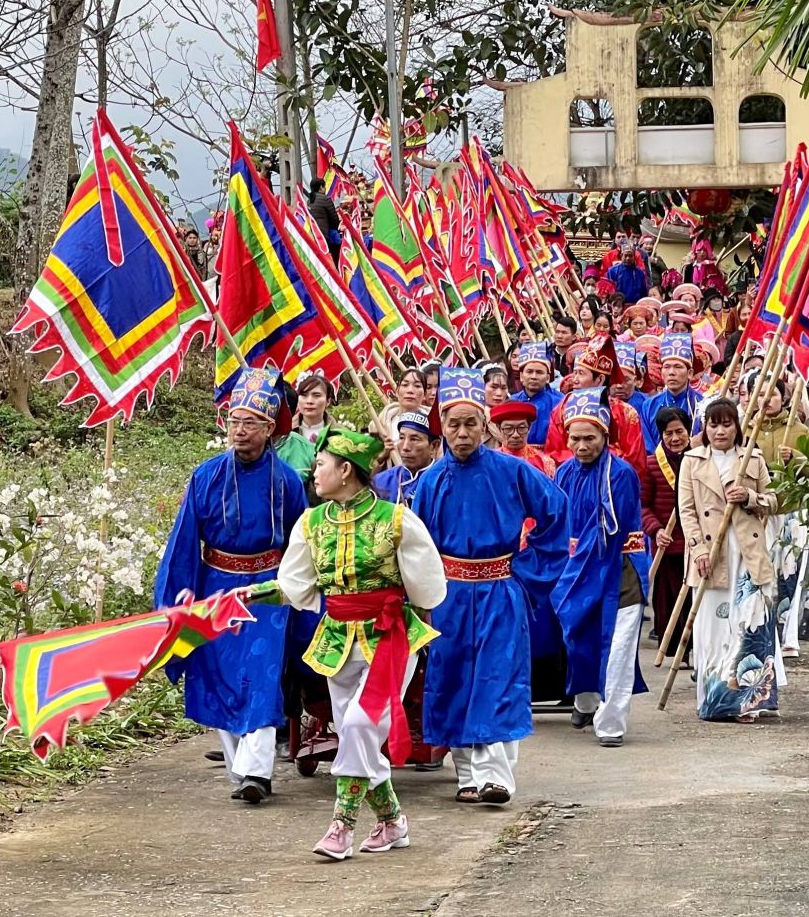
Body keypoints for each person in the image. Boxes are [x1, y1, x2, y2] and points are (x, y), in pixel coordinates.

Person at [258, 427, 446, 860]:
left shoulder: (396, 520)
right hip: (339, 640)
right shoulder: (311, 523)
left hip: (390, 640)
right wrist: (244, 597)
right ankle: (392, 821)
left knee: (361, 727)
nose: (313, 472)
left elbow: (428, 591)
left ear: (346, 471)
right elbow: (294, 586)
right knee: (354, 734)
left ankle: (340, 826)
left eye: (321, 464)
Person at [413, 368, 568, 805]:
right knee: (454, 678)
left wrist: (526, 574)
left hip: (500, 588)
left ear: (486, 425)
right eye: (454, 424)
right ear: (442, 426)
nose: (462, 434)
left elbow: (556, 513)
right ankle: (466, 774)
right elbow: (416, 546)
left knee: (499, 678)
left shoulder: (512, 472)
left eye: (471, 424)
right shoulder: (429, 482)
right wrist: (421, 599)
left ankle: (496, 776)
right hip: (448, 596)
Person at [155, 365, 309, 803]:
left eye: (251, 424)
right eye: (234, 422)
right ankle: (241, 768)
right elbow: (185, 539)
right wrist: (178, 595)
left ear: (269, 428)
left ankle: (256, 774)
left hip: (267, 591)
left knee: (260, 677)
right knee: (218, 677)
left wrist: (300, 589)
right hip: (217, 585)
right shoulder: (206, 476)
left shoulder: (288, 482)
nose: (240, 431)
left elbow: (301, 541)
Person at [551, 390, 647, 748]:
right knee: (577, 637)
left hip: (617, 570)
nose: (581, 445)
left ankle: (611, 723)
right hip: (578, 571)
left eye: (589, 438)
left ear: (606, 436)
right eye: (574, 438)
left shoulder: (620, 474)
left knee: (618, 647)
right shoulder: (563, 473)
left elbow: (610, 529)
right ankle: (586, 700)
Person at [678, 399, 783, 723]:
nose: (719, 430)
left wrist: (749, 498)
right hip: (712, 557)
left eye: (726, 424)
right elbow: (687, 511)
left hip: (748, 556)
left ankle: (748, 702)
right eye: (713, 424)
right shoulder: (692, 462)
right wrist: (698, 551)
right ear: (705, 428)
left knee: (747, 626)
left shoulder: (752, 458)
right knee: (713, 627)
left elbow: (776, 499)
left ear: (737, 427)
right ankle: (716, 701)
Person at [749, 372, 809, 657]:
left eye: (772, 394)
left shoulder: (800, 432)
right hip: (756, 511)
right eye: (760, 395)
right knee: (759, 572)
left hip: (790, 511)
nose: (766, 400)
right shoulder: (745, 431)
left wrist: (797, 460)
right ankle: (761, 631)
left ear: (783, 397)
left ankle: (787, 635)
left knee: (790, 574)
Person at [541, 336, 647, 479]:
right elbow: (553, 453)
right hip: (573, 480)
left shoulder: (626, 413)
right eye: (575, 373)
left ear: (600, 379)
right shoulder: (562, 409)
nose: (575, 379)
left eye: (581, 374)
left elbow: (636, 462)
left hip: (614, 482)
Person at [640, 406, 693, 643]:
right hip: (665, 545)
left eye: (679, 431)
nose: (675, 438)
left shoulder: (699, 461)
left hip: (694, 545)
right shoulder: (651, 465)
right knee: (666, 599)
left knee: (693, 601)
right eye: (668, 433)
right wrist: (656, 529)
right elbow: (642, 506)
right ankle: (672, 648)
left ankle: (694, 649)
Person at [642, 332, 705, 452]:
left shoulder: (702, 405)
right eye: (667, 367)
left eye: (678, 367)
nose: (671, 372)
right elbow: (647, 445)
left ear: (690, 373)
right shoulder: (649, 406)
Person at [273, 371, 335, 488]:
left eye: (316, 395)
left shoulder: (341, 434)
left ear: (328, 401)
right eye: (304, 395)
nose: (309, 401)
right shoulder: (282, 434)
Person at [372, 412, 438, 507]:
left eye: (414, 439)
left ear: (434, 446)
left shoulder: (444, 481)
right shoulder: (381, 482)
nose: (405, 447)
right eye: (401, 438)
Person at [510, 344, 562, 444]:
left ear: (547, 378)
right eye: (529, 372)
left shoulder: (559, 403)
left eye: (539, 372)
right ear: (521, 376)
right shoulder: (512, 402)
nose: (534, 376)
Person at [490, 400, 556, 477]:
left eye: (521, 428)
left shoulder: (544, 462)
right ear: (499, 428)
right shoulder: (489, 462)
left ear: (529, 427)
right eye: (508, 428)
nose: (515, 435)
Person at [307, 177, 343, 262]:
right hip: (325, 235)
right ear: (320, 187)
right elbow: (334, 219)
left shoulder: (308, 201)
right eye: (324, 186)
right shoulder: (325, 199)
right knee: (334, 256)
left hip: (313, 234)